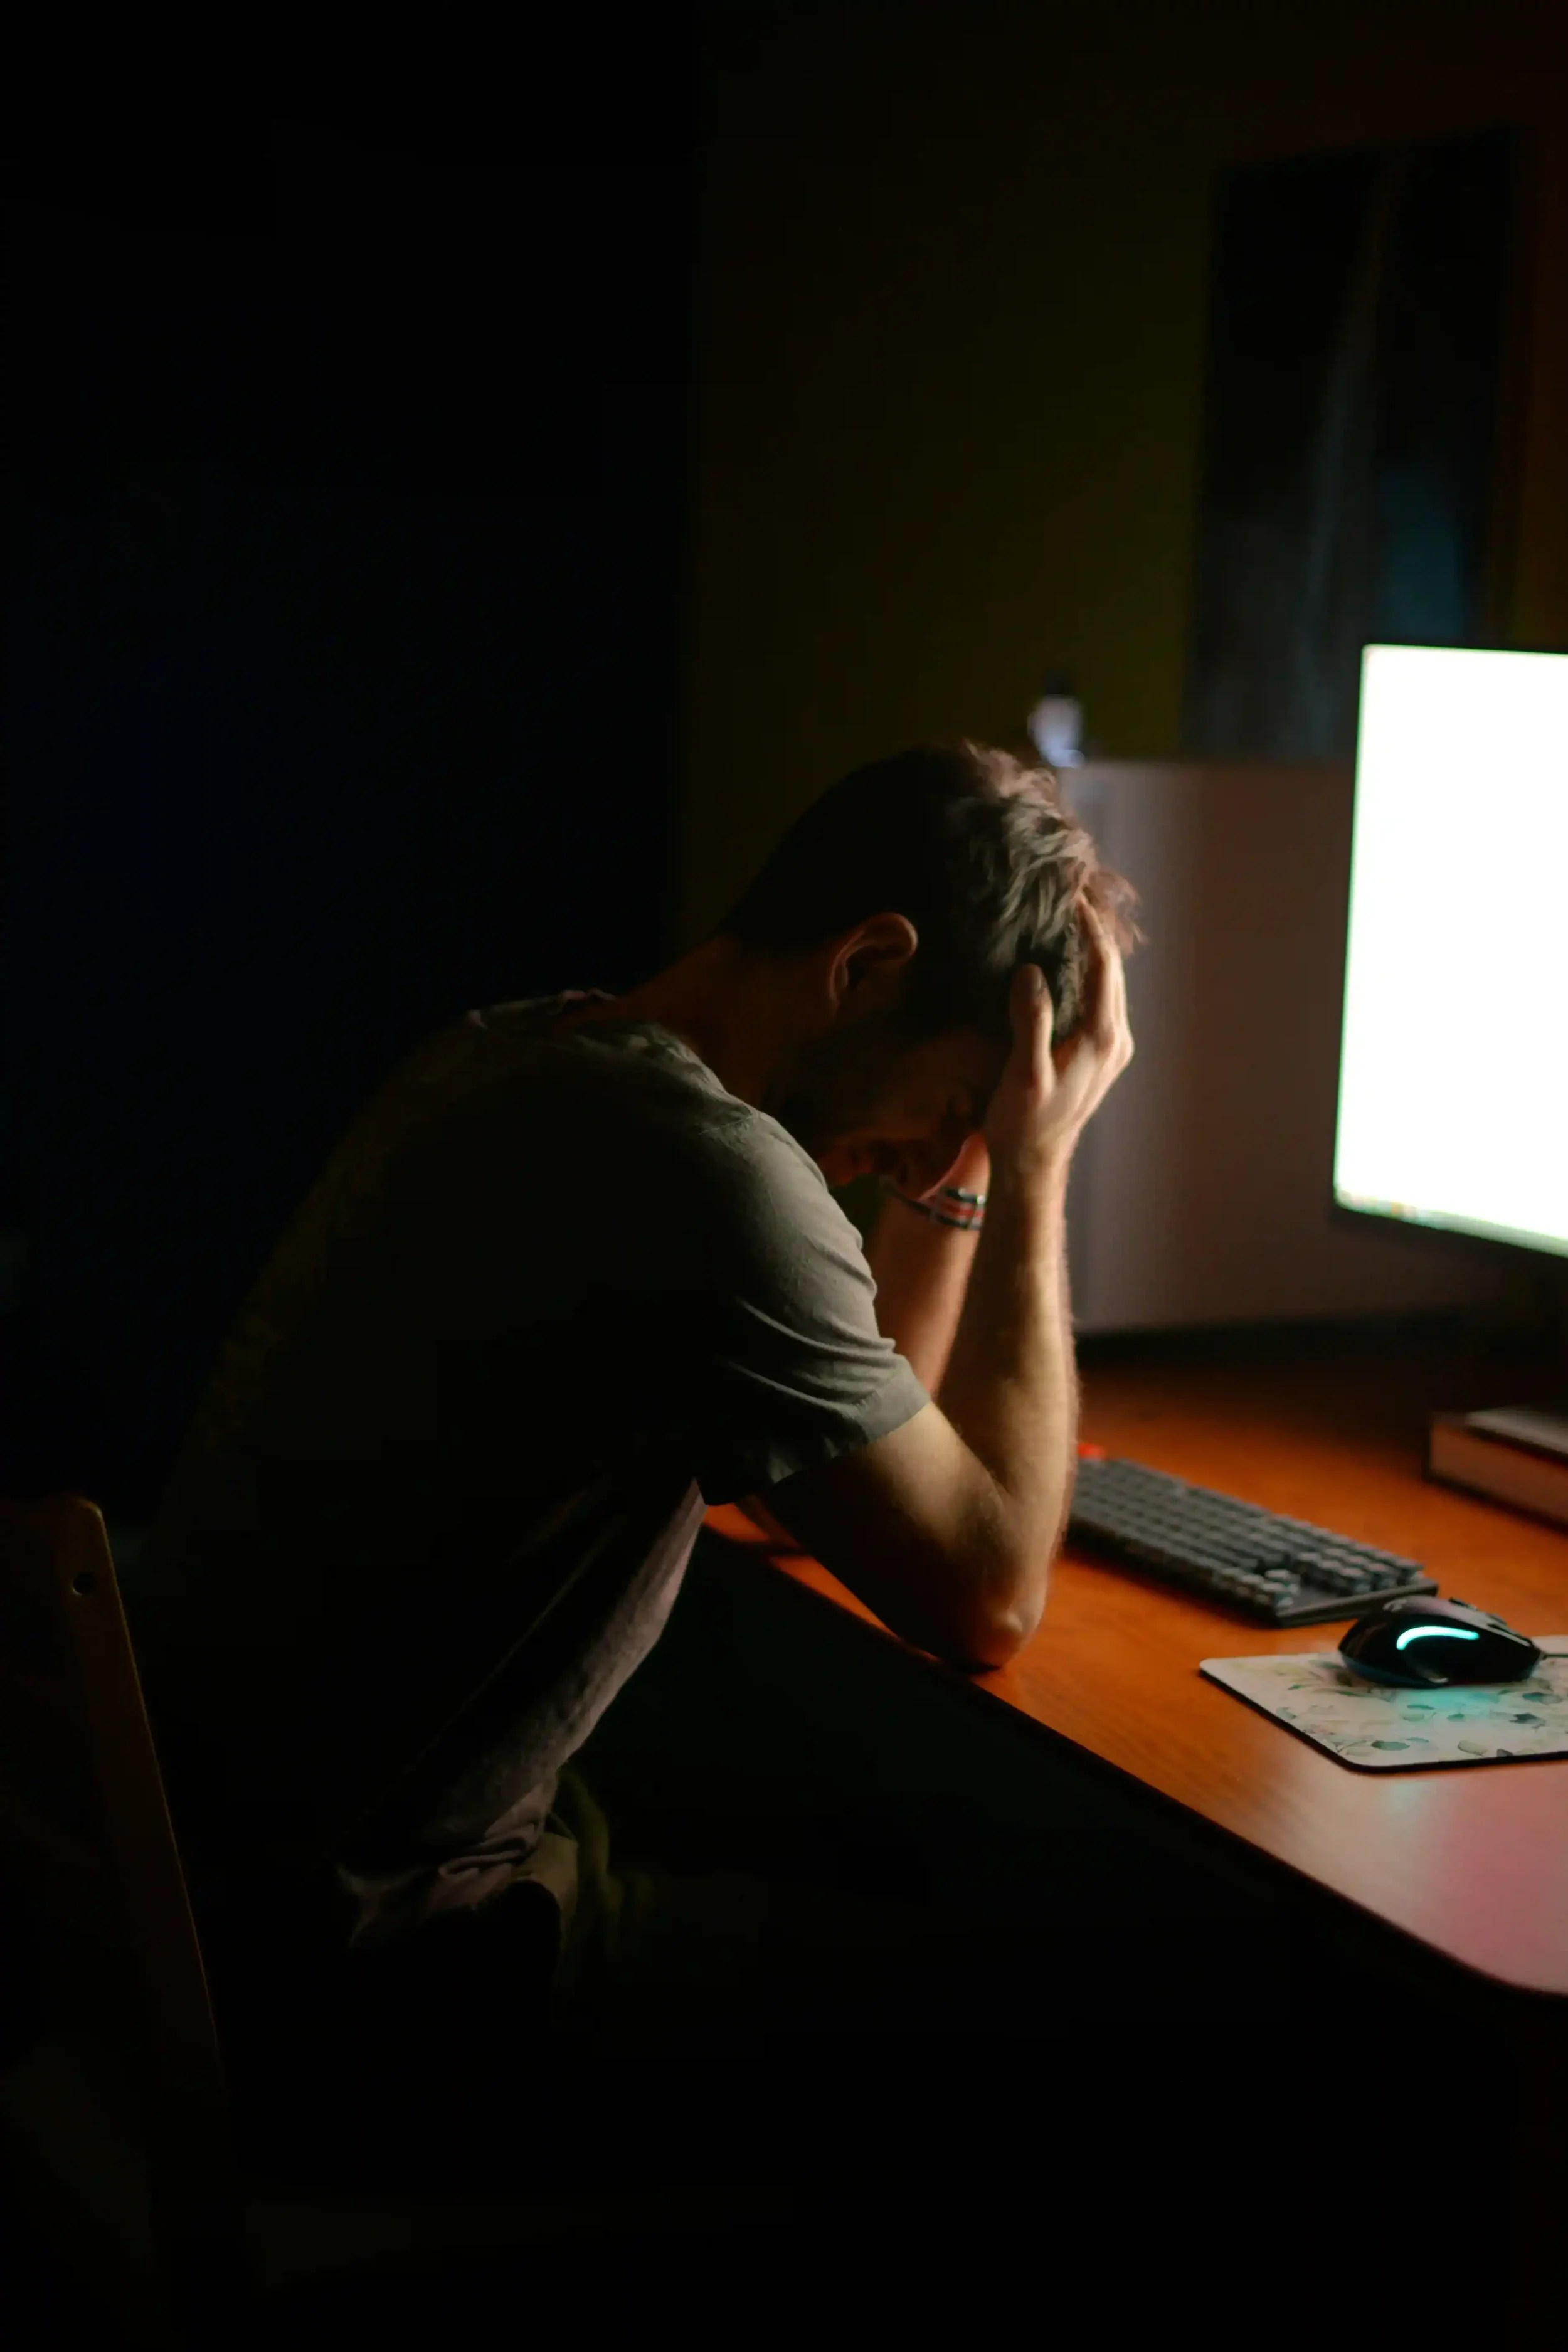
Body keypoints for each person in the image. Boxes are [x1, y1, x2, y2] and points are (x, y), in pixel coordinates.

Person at [128, 740, 1137, 2146]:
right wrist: (1034, 1173)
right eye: (955, 1113)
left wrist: (965, 1164)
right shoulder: (706, 1175)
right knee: (1104, 1994)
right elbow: (986, 1594)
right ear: (865, 963)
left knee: (859, 1831)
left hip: (212, 1904)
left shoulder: (516, 1051)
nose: (933, 1162)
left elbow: (836, 1482)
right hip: (374, 1984)